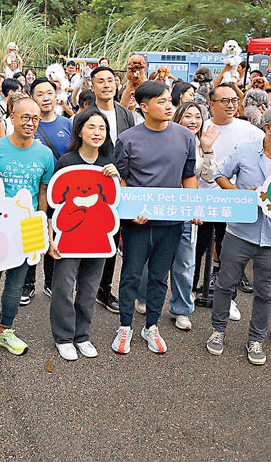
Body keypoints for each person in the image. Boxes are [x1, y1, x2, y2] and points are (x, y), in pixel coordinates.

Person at [207, 105, 271, 366]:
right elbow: (220, 175)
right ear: (269, 127)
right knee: (225, 284)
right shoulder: (246, 150)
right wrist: (241, 195)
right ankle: (218, 331)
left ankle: (256, 338)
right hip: (239, 230)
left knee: (266, 291)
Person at [0, 97, 55, 375]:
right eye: (25, 117)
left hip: (26, 231)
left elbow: (42, 194)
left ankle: (4, 331)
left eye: (35, 118)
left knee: (15, 288)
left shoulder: (45, 155)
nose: (30, 123)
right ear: (12, 118)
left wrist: (43, 228)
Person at [112, 81, 197, 355]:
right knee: (131, 275)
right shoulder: (128, 139)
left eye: (169, 100)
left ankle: (151, 326)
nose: (168, 105)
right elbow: (120, 179)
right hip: (138, 223)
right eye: (160, 101)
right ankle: (124, 326)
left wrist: (192, 207)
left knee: (160, 277)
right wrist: (127, 211)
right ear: (143, 106)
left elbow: (189, 175)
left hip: (171, 223)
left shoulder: (186, 137)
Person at [50, 107, 120, 360]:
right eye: (91, 126)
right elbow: (54, 202)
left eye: (102, 128)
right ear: (79, 131)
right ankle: (64, 336)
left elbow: (116, 201)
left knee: (90, 288)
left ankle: (83, 335)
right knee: (64, 287)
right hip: (69, 236)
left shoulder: (108, 164)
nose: (97, 132)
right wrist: (51, 237)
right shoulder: (66, 162)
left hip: (99, 238)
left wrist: (117, 177)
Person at [75, 66, 138, 312]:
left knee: (112, 235)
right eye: (100, 81)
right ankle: (83, 288)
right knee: (86, 234)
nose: (106, 85)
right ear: (93, 86)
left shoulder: (125, 113)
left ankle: (104, 288)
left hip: (118, 182)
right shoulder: (85, 115)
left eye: (110, 80)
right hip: (92, 182)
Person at [197, 83, 264, 299]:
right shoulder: (200, 127)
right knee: (197, 248)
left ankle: (227, 294)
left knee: (228, 248)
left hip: (235, 199)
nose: (231, 105)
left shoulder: (251, 131)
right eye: (224, 101)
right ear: (211, 104)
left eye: (235, 100)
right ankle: (189, 290)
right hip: (202, 198)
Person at [165, 102, 219, 329]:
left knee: (186, 262)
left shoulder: (201, 144)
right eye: (188, 116)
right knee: (151, 259)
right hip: (162, 207)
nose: (193, 121)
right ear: (177, 118)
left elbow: (209, 176)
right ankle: (144, 297)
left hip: (189, 209)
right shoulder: (166, 139)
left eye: (198, 116)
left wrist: (207, 149)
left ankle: (181, 309)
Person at [22, 77, 73, 304]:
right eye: (40, 94)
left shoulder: (68, 124)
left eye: (49, 93)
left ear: (56, 95)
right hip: (34, 189)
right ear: (32, 98)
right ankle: (28, 283)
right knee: (33, 232)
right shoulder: (28, 124)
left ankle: (52, 282)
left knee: (58, 233)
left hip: (61, 191)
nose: (45, 98)